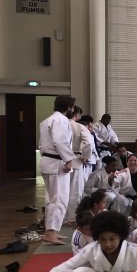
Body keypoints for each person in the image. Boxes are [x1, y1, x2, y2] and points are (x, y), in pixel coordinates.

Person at [39, 95, 77, 245]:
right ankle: (50, 232)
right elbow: (60, 141)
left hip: (47, 162)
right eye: (72, 106)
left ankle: (51, 231)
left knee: (51, 199)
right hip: (57, 163)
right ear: (68, 107)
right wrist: (68, 160)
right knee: (59, 199)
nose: (73, 109)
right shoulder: (61, 120)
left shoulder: (46, 120)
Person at [66, 106, 94, 226]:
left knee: (61, 192)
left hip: (60, 161)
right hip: (76, 160)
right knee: (75, 191)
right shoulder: (79, 126)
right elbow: (88, 143)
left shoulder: (58, 125)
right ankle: (71, 218)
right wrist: (85, 156)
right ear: (77, 115)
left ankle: (61, 219)